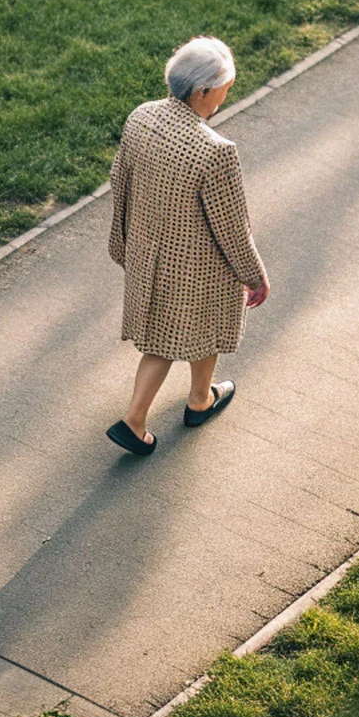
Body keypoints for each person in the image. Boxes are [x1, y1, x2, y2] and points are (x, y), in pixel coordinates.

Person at [106, 36, 269, 455]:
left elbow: (118, 182)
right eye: (224, 89)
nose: (225, 97)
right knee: (200, 331)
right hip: (198, 266)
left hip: (148, 255)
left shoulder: (140, 117)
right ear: (202, 91)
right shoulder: (215, 152)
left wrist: (124, 242)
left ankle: (168, 409)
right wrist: (255, 277)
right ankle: (170, 409)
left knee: (164, 338)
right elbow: (233, 228)